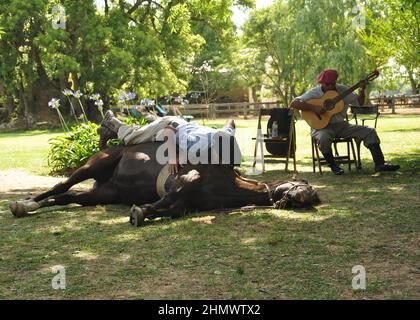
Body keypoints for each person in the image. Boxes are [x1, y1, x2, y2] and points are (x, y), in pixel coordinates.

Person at [291, 69, 399, 175]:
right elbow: (294, 103)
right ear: (322, 83)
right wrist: (314, 108)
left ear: (335, 82)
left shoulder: (342, 90)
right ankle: (333, 165)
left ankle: (380, 164)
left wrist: (361, 91)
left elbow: (359, 103)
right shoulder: (314, 92)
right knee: (324, 138)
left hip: (342, 126)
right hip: (322, 128)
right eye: (326, 84)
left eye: (331, 84)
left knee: (369, 131)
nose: (329, 86)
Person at [97, 111, 241, 174]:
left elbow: (230, 122)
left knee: (142, 134)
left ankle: (109, 133)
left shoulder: (225, 136)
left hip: (183, 126)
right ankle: (111, 122)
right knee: (132, 137)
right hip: (170, 125)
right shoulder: (195, 145)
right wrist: (173, 156)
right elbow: (169, 131)